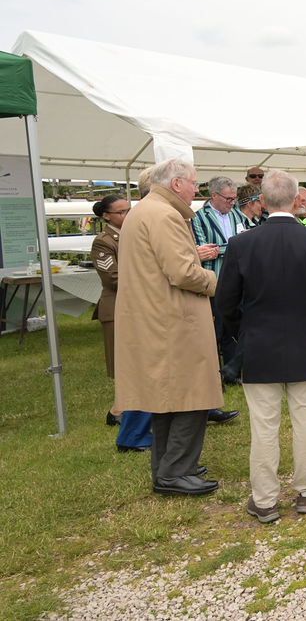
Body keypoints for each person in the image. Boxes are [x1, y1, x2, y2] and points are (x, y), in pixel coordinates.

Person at [216, 170, 306, 523]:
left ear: (263, 201)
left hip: (260, 344)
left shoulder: (243, 244)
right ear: (295, 200)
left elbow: (225, 301)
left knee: (264, 425)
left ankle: (265, 499)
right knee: (305, 421)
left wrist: (245, 333)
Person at [114, 158, 223, 496]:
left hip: (158, 317)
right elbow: (184, 273)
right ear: (176, 184)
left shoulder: (146, 210)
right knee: (192, 395)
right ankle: (176, 471)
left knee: (167, 400)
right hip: (174, 320)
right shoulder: (165, 215)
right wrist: (216, 280)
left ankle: (169, 468)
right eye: (193, 183)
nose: (196, 190)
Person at [91, 195, 152, 452]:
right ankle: (121, 413)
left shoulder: (132, 235)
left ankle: (119, 411)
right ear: (106, 216)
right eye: (120, 213)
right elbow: (113, 276)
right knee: (124, 365)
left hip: (136, 306)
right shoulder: (103, 242)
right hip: (116, 308)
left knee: (135, 364)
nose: (126, 216)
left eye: (129, 210)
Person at [191, 176, 248, 400]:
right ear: (214, 196)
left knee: (235, 329)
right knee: (213, 332)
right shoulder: (198, 217)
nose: (232, 202)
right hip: (213, 281)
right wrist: (234, 245)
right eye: (228, 199)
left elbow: (233, 245)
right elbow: (205, 249)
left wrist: (225, 248)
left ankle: (232, 372)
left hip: (237, 281)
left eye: (234, 198)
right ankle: (214, 378)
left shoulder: (236, 215)